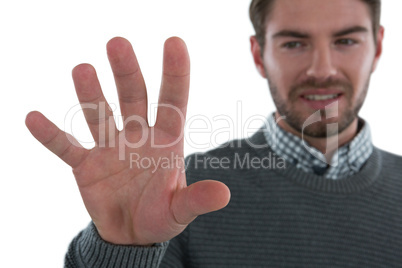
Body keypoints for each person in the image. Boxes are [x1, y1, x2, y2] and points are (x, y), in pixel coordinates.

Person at [25, 0, 402, 267]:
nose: (322, 68)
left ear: (378, 45)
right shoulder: (183, 195)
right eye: (294, 43)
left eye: (346, 41)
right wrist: (125, 248)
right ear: (259, 55)